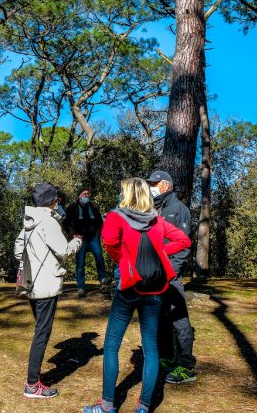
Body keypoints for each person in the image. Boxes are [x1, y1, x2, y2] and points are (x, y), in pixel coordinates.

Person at [83, 177, 191, 413]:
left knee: (112, 344)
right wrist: (161, 252)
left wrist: (123, 259)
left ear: (128, 194)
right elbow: (183, 240)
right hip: (155, 289)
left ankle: (107, 405)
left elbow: (110, 241)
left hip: (128, 288)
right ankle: (143, 407)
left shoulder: (116, 216)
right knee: (151, 347)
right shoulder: (157, 221)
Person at [15, 182, 82, 399]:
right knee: (42, 333)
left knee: (39, 329)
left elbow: (18, 250)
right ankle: (32, 384)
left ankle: (34, 376)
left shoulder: (30, 220)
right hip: (46, 284)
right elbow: (63, 250)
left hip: (30, 281)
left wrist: (32, 263)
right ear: (53, 201)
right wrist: (77, 242)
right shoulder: (49, 222)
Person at [146, 170, 197, 384]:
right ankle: (166, 357)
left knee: (179, 319)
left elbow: (183, 247)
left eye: (155, 183)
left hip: (170, 275)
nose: (151, 187)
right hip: (157, 274)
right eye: (150, 184)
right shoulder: (156, 208)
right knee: (162, 317)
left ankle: (186, 366)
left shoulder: (178, 209)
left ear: (166, 185)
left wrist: (171, 272)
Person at [64, 189, 110, 296]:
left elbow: (99, 222)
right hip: (80, 239)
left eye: (88, 194)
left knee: (99, 257)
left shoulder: (93, 208)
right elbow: (66, 223)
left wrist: (98, 233)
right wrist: (72, 235)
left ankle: (103, 280)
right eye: (84, 194)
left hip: (93, 237)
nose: (86, 196)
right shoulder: (72, 208)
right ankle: (81, 287)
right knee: (80, 262)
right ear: (79, 196)